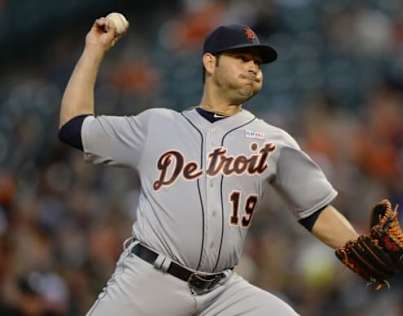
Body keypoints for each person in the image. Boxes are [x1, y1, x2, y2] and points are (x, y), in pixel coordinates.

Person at [58, 16, 360, 316]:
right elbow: (73, 127)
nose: (253, 67)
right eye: (242, 58)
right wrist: (94, 49)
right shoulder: (158, 125)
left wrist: (361, 247)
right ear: (210, 63)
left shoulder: (273, 140)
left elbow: (316, 211)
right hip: (150, 281)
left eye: (257, 62)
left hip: (222, 292)